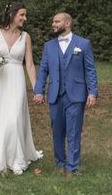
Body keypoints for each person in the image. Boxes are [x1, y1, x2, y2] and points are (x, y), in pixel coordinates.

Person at [33, 12, 98, 178]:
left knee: (74, 131)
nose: (53, 24)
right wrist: (39, 91)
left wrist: (92, 92)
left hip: (76, 95)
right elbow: (43, 70)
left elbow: (90, 70)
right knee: (57, 131)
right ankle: (60, 163)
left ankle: (72, 167)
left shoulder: (83, 44)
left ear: (67, 23)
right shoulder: (49, 46)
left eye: (57, 21)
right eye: (53, 21)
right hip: (55, 94)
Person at [0, 3, 43, 174]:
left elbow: (30, 64)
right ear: (12, 15)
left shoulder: (26, 37)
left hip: (16, 80)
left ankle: (16, 159)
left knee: (15, 118)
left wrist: (36, 89)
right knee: (0, 118)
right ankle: (0, 154)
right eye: (22, 15)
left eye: (25, 15)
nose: (25, 18)